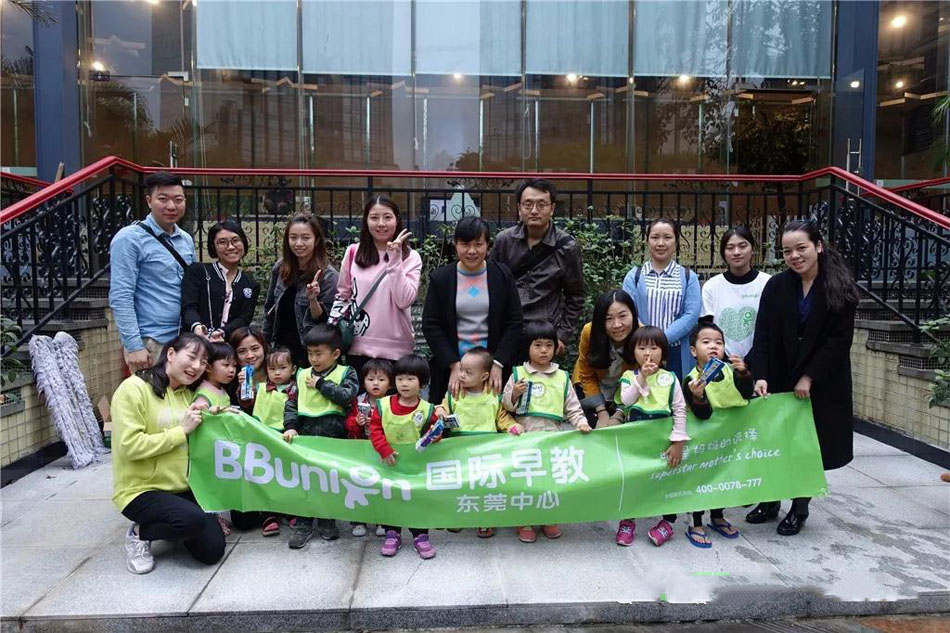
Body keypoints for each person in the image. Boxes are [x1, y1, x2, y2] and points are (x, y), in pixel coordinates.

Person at [746, 219, 858, 536]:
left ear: (818, 246)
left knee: (805, 447)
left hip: (821, 382)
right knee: (774, 443)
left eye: (801, 248)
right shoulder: (777, 286)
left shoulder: (840, 286)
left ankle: (799, 506)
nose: (794, 256)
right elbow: (763, 334)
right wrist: (761, 375)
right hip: (780, 376)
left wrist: (810, 376)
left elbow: (839, 341)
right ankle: (770, 501)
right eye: (787, 251)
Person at [111, 333, 225, 574]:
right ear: (171, 354)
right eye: (192, 357)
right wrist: (181, 431)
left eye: (203, 362)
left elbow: (195, 436)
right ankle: (139, 533)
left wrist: (214, 418)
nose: (197, 366)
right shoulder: (133, 389)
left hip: (180, 487)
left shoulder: (186, 394)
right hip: (140, 490)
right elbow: (131, 446)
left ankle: (178, 521)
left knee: (212, 551)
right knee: (191, 521)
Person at [502, 321, 592, 544]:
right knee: (526, 482)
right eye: (538, 345)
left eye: (549, 345)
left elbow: (572, 407)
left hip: (553, 439)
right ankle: (525, 521)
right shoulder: (518, 374)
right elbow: (505, 407)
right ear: (528, 347)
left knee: (549, 481)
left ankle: (548, 518)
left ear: (555, 347)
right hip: (525, 440)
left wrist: (581, 423)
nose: (543, 350)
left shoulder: (561, 376)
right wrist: (514, 393)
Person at [422, 217, 523, 404]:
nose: (472, 251)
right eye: (465, 244)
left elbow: (514, 322)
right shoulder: (441, 279)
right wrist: (454, 365)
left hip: (492, 370)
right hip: (452, 368)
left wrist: (498, 363)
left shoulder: (502, 276)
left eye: (478, 244)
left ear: (488, 245)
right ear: (455, 245)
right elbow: (431, 325)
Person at [109, 172, 197, 372]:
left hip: (182, 341)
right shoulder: (129, 239)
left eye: (178, 200)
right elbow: (121, 296)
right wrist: (134, 346)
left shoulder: (185, 240)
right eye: (163, 199)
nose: (171, 206)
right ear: (149, 201)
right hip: (150, 343)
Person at [282, 324, 360, 548]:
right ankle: (303, 524)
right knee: (305, 479)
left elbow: (347, 395)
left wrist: (321, 384)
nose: (313, 359)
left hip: (333, 437)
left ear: (335, 354)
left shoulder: (346, 372)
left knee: (328, 479)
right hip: (306, 436)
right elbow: (291, 403)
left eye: (319, 353)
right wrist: (290, 426)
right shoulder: (301, 374)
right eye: (310, 353)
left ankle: (327, 519)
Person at [489, 179, 585, 357]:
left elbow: (576, 296)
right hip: (507, 332)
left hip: (545, 335)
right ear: (519, 208)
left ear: (552, 208)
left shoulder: (567, 247)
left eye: (541, 205)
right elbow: (491, 286)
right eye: (528, 204)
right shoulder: (504, 241)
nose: (534, 210)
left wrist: (562, 336)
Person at [615, 326, 690, 548]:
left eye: (654, 348)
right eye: (642, 348)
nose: (648, 353)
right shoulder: (629, 377)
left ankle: (668, 522)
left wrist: (678, 442)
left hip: (663, 441)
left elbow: (679, 409)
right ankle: (627, 521)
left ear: (663, 352)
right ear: (633, 352)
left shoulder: (670, 378)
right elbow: (626, 401)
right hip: (635, 442)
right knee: (633, 481)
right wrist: (642, 378)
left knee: (667, 482)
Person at [682, 322, 754, 548]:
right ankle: (695, 522)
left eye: (719, 342)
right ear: (693, 351)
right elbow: (702, 415)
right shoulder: (691, 380)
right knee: (701, 479)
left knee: (724, 477)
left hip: (729, 439)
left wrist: (744, 373)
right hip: (704, 443)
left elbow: (746, 393)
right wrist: (698, 397)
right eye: (706, 342)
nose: (713, 346)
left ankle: (717, 516)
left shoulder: (731, 371)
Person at [435, 346, 518, 540]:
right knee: (460, 485)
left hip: (486, 454)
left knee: (485, 487)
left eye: (468, 372)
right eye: (461, 370)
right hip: (459, 452)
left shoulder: (493, 396)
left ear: (484, 376)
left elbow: (502, 418)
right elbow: (443, 407)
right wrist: (440, 411)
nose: (461, 375)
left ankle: (485, 519)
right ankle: (459, 518)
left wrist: (513, 427)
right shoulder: (454, 394)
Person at [333, 196, 422, 376]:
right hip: (357, 348)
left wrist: (395, 258)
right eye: (374, 217)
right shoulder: (353, 252)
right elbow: (342, 297)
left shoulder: (411, 257)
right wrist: (333, 335)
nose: (381, 223)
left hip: (397, 350)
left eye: (387, 217)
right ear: (366, 221)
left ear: (397, 219)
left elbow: (404, 300)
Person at [368, 353, 440, 560]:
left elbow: (433, 433)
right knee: (390, 498)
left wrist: (435, 435)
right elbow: (375, 430)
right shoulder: (383, 405)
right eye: (400, 379)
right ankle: (392, 533)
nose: (404, 384)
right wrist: (384, 450)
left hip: (416, 467)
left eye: (410, 379)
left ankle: (420, 535)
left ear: (422, 383)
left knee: (417, 499)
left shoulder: (427, 409)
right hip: (389, 463)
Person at [622, 218, 701, 379]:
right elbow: (627, 312)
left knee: (675, 392)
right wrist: (648, 342)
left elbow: (691, 315)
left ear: (676, 242)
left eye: (667, 237)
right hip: (643, 351)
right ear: (647, 241)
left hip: (676, 351)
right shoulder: (634, 276)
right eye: (655, 237)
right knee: (643, 391)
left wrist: (661, 340)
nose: (661, 243)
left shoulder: (688, 277)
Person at [263, 214, 339, 367]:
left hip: (310, 354)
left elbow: (326, 323)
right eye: (293, 237)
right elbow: (270, 310)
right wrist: (265, 345)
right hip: (281, 353)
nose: (298, 243)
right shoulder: (280, 268)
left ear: (316, 240)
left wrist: (312, 300)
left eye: (305, 238)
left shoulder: (328, 276)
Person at [242, 345, 297, 538]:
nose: (277, 373)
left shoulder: (296, 389)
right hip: (264, 438)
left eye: (282, 368)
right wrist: (244, 385)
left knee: (288, 475)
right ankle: (268, 514)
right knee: (266, 475)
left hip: (287, 437)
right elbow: (246, 403)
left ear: (293, 369)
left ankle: (291, 510)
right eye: (272, 369)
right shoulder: (260, 388)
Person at [181, 220, 260, 342]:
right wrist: (197, 326)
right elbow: (189, 307)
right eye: (222, 242)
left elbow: (244, 319)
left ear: (243, 242)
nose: (231, 247)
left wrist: (222, 333)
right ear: (213, 246)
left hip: (228, 347)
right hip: (196, 343)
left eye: (235, 240)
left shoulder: (250, 284)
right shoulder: (198, 271)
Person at [700, 227, 771, 359]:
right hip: (720, 362)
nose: (736, 252)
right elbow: (706, 328)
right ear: (723, 253)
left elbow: (772, 328)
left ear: (752, 249)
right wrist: (725, 360)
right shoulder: (711, 286)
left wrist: (749, 361)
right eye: (730, 248)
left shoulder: (768, 283)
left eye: (742, 246)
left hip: (761, 360)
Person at [572, 289, 639, 427]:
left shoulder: (641, 337)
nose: (617, 324)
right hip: (590, 385)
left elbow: (638, 381)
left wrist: (619, 413)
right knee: (593, 427)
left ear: (633, 314)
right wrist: (602, 412)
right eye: (609, 319)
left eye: (622, 316)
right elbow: (586, 375)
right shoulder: (590, 332)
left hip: (625, 390)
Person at [344, 357, 394, 538]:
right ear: (363, 381)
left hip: (382, 451)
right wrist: (356, 422)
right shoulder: (358, 401)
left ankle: (382, 520)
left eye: (381, 379)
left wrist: (380, 423)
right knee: (359, 483)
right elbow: (348, 424)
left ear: (390, 384)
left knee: (382, 484)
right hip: (361, 450)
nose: (375, 383)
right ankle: (358, 520)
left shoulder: (392, 403)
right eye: (371, 379)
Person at [229, 326, 268, 413]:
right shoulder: (231, 382)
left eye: (255, 349)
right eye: (242, 351)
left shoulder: (279, 373)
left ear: (264, 348)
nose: (250, 356)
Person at [193, 342, 238, 411]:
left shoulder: (220, 388)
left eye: (234, 365)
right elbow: (200, 413)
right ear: (208, 367)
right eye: (226, 365)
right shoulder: (204, 393)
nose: (232, 370)